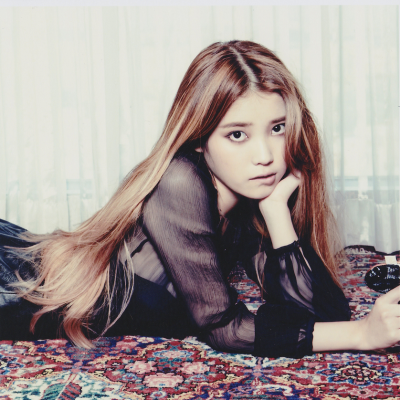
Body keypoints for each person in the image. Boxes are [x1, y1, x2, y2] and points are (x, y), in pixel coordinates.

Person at [0, 40, 399, 359]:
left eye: (277, 128)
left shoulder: (244, 202)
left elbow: (323, 312)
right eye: (237, 134)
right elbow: (224, 328)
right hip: (16, 288)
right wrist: (361, 335)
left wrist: (276, 211)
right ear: (200, 138)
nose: (265, 156)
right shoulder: (179, 181)